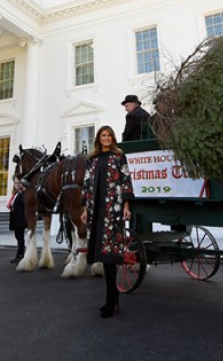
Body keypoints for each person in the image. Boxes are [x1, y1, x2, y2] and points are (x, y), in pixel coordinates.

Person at [81, 125, 134, 318]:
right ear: (98, 138)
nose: (106, 138)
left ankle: (112, 300)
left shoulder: (119, 157)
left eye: (109, 135)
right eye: (103, 135)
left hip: (112, 211)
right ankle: (112, 298)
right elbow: (86, 186)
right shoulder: (92, 160)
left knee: (110, 255)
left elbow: (126, 182)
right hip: (96, 212)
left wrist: (127, 206)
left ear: (112, 138)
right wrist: (85, 209)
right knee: (102, 255)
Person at [7, 177, 27, 263]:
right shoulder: (15, 195)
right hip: (15, 219)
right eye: (15, 183)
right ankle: (21, 253)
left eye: (19, 183)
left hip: (20, 219)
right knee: (18, 237)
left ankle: (20, 255)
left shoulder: (23, 194)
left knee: (20, 238)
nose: (17, 185)